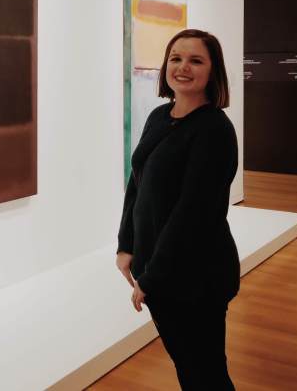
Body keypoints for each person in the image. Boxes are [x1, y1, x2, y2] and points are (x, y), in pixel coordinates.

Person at [116, 28, 240, 390]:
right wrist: (127, 245)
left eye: (195, 60)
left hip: (195, 278)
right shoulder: (159, 116)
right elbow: (137, 183)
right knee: (187, 367)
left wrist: (151, 279)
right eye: (176, 58)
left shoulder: (215, 130)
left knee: (205, 373)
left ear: (213, 71)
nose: (183, 67)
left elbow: (194, 216)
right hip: (159, 271)